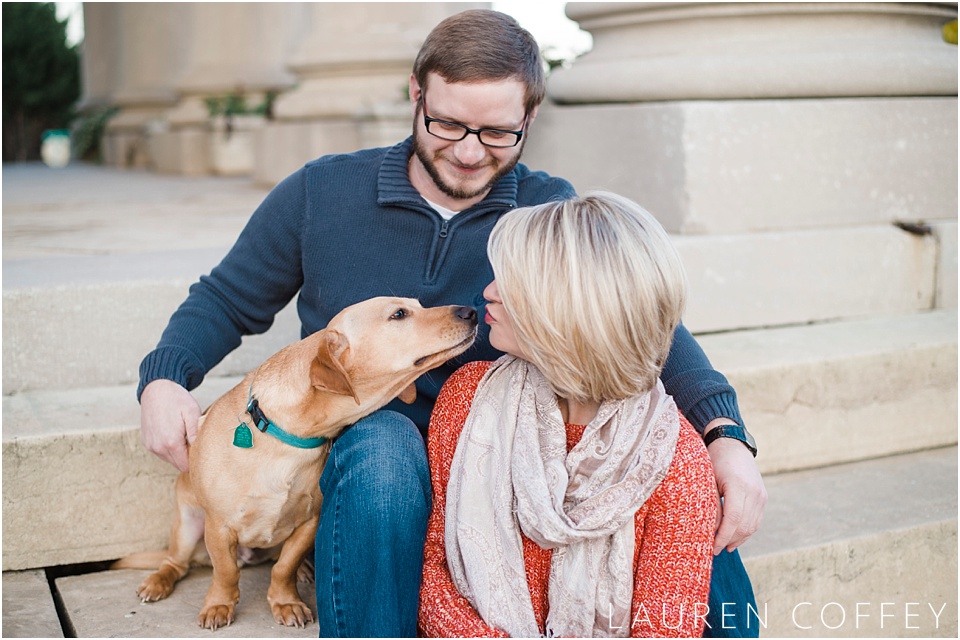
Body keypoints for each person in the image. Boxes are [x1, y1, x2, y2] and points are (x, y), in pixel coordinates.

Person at [136, 8, 765, 637]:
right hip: (381, 446)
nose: (468, 152)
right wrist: (165, 377)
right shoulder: (321, 193)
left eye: (497, 133)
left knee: (685, 479)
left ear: (529, 119)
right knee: (384, 447)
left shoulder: (546, 207)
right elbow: (226, 298)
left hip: (506, 444)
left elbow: (636, 322)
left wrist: (724, 434)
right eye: (448, 123)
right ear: (416, 93)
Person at [419, 192, 718, 638]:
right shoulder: (468, 398)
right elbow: (440, 571)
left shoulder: (675, 464)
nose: (489, 292)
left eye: (514, 282)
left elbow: (667, 628)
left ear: (572, 311)